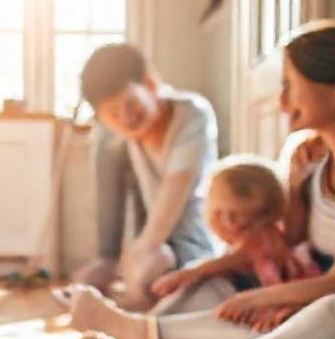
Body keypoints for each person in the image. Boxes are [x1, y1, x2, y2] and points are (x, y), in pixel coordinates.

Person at [70, 20, 335, 339]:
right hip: (302, 307)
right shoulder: (312, 158)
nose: (282, 102)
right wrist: (297, 187)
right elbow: (286, 247)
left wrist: (259, 300)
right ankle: (142, 333)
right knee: (209, 287)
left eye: (289, 85)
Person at [68, 44, 221, 311]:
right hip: (156, 245)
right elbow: (108, 191)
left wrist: (142, 251)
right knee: (140, 268)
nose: (126, 117)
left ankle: (144, 299)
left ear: (151, 85)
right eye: (113, 113)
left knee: (157, 265)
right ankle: (118, 270)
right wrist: (108, 259)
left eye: (131, 104)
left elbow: (179, 185)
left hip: (194, 240)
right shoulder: (112, 132)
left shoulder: (192, 114)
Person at [148, 154, 324, 320]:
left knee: (202, 281)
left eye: (238, 215)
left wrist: (189, 274)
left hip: (282, 300)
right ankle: (155, 320)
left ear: (266, 215)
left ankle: (153, 322)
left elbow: (235, 259)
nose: (229, 224)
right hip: (269, 295)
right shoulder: (263, 233)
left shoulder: (261, 236)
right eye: (218, 214)